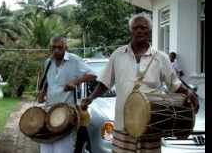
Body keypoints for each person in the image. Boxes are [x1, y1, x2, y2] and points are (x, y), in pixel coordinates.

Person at [81, 13, 199, 153]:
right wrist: (90, 98)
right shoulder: (118, 55)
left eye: (143, 27)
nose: (139, 31)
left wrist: (188, 92)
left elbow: (175, 84)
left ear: (149, 31)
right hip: (123, 125)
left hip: (151, 125)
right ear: (131, 31)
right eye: (135, 28)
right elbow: (104, 83)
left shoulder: (161, 58)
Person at [37, 35, 97, 153]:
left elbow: (93, 75)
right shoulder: (48, 62)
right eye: (53, 48)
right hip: (49, 111)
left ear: (66, 48)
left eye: (60, 47)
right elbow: (47, 81)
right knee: (46, 149)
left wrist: (75, 82)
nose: (56, 50)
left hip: (67, 113)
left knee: (62, 149)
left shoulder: (74, 60)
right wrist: (42, 92)